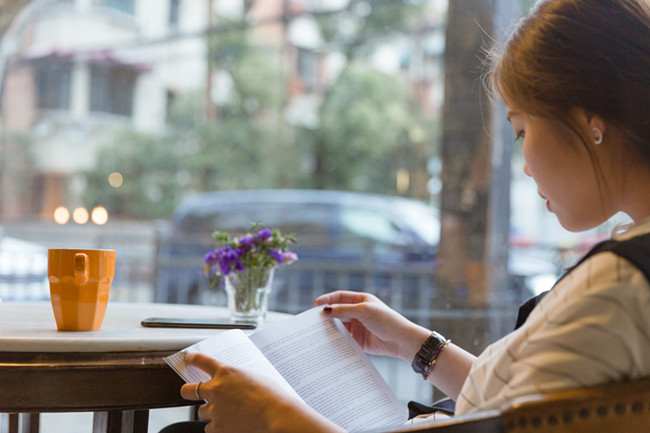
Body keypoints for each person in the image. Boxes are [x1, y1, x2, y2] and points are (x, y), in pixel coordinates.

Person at [164, 0, 650, 431]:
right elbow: (513, 405)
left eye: (521, 130)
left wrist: (275, 417)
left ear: (591, 119)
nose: (522, 164)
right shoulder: (625, 274)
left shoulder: (618, 284)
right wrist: (416, 345)